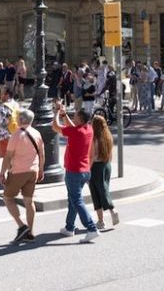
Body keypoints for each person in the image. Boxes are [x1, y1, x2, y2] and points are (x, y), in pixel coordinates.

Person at [52, 100, 99, 242]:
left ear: (80, 119)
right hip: (85, 171)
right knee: (72, 199)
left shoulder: (75, 131)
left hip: (74, 171)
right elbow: (71, 126)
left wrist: (56, 112)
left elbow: (55, 127)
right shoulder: (88, 129)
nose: (73, 117)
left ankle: (91, 228)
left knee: (76, 200)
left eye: (75, 116)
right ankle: (69, 227)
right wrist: (64, 114)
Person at [0, 108, 44, 243]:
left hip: (18, 171)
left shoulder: (16, 135)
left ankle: (21, 226)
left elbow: (8, 156)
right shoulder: (37, 133)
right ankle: (30, 232)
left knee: (7, 198)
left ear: (22, 119)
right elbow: (42, 154)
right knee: (29, 201)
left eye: (17, 117)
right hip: (33, 171)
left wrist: (2, 173)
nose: (16, 119)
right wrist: (41, 170)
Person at [89, 114, 119, 229]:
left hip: (96, 167)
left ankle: (102, 220)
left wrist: (87, 169)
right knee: (104, 189)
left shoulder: (94, 139)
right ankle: (111, 212)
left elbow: (91, 156)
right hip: (106, 165)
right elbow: (110, 154)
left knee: (96, 193)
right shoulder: (108, 136)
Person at [0, 87, 20, 158]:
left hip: (4, 136)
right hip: (16, 135)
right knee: (14, 158)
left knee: (7, 159)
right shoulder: (16, 104)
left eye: (1, 93)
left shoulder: (3, 107)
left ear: (7, 95)